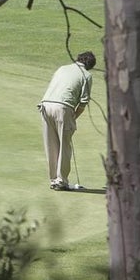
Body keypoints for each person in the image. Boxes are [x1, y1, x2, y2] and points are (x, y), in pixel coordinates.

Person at [39, 50, 97, 191]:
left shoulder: (62, 68)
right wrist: (73, 118)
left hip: (45, 105)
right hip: (63, 108)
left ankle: (54, 180)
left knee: (51, 145)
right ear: (90, 65)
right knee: (64, 146)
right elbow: (83, 103)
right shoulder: (87, 75)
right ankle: (61, 181)